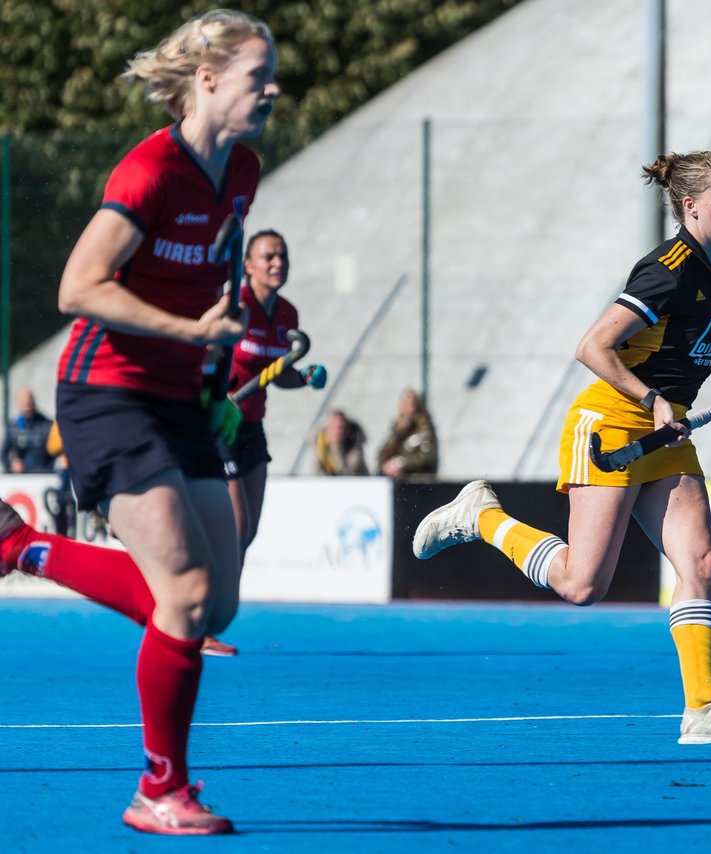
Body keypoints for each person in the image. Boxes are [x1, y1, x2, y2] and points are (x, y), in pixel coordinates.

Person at [413, 151, 711, 744]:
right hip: (613, 426)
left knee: (701, 563)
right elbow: (592, 346)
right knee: (582, 585)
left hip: (667, 434)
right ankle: (482, 516)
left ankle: (703, 710)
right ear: (691, 205)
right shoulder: (665, 269)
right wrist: (651, 400)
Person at [0, 10, 278, 835]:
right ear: (206, 79)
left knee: (213, 605)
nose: (271, 89)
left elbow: (206, 277)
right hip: (105, 391)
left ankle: (22, 547)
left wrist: (215, 374)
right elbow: (78, 287)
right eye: (257, 74)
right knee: (184, 593)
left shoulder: (245, 171)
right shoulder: (148, 170)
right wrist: (189, 332)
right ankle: (159, 790)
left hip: (180, 395)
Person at [204, 229, 326, 657]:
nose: (277, 263)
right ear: (249, 265)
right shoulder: (232, 306)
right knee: (234, 528)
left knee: (248, 531)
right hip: (221, 424)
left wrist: (303, 377)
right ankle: (200, 624)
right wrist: (215, 404)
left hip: (252, 427)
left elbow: (279, 372)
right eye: (268, 256)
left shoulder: (287, 313)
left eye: (282, 256)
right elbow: (205, 356)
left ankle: (210, 617)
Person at [376, 389, 439, 480]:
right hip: (396, 478)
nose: (410, 409)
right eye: (406, 404)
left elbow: (426, 458)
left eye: (413, 405)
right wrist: (398, 432)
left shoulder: (425, 428)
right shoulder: (397, 428)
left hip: (418, 478)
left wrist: (401, 463)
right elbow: (381, 454)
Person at [2, 387, 57, 473]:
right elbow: (3, 454)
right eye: (23, 400)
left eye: (29, 399)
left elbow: (55, 453)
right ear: (18, 403)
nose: (27, 403)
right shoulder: (12, 428)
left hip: (44, 475)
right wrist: (12, 465)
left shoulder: (47, 425)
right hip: (20, 477)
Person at [314, 409, 369, 475]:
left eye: (341, 427)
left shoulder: (355, 445)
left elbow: (347, 473)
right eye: (333, 427)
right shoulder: (319, 444)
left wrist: (336, 446)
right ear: (327, 429)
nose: (338, 431)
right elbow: (316, 472)